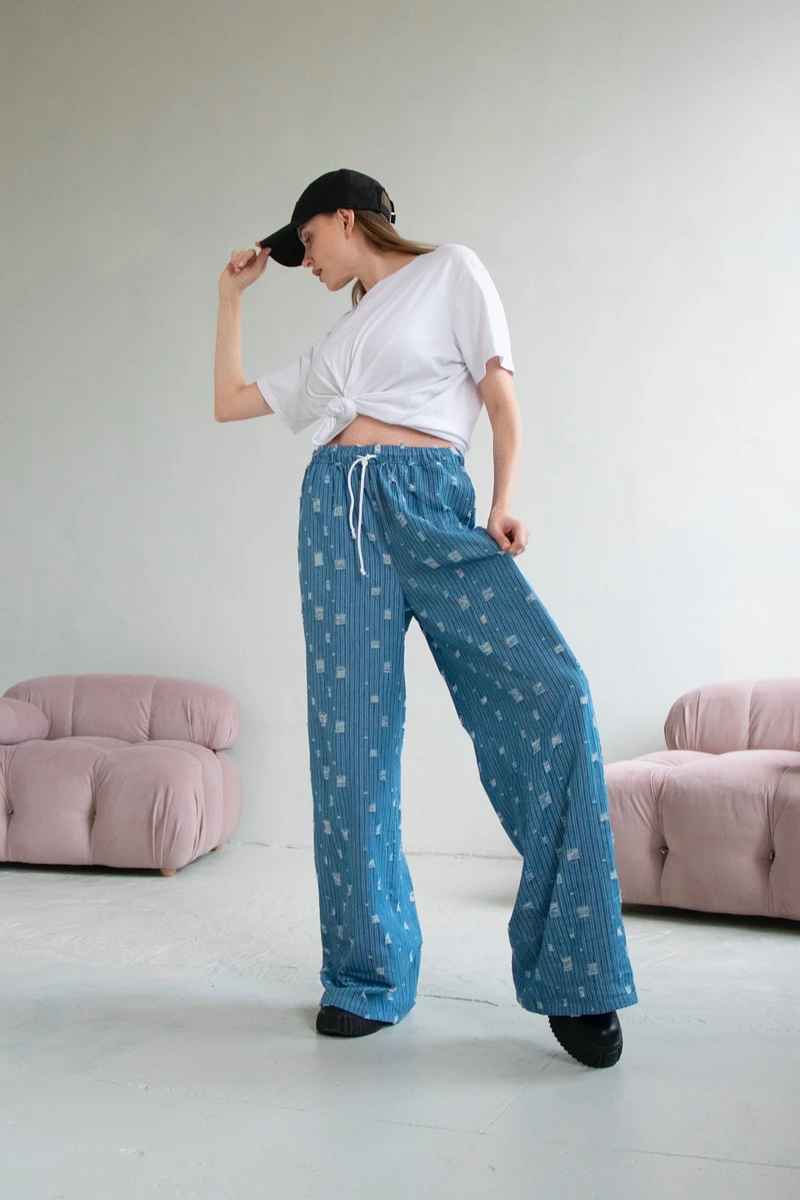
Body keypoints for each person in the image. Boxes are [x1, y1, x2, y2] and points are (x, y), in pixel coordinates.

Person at [214, 168, 638, 1068]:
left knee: (556, 692)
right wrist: (231, 299)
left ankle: (577, 973)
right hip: (338, 515)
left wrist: (504, 498)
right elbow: (230, 401)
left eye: (307, 244)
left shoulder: (452, 271)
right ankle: (365, 975)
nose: (304, 263)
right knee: (351, 743)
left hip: (432, 501)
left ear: (345, 218)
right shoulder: (340, 340)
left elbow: (499, 398)